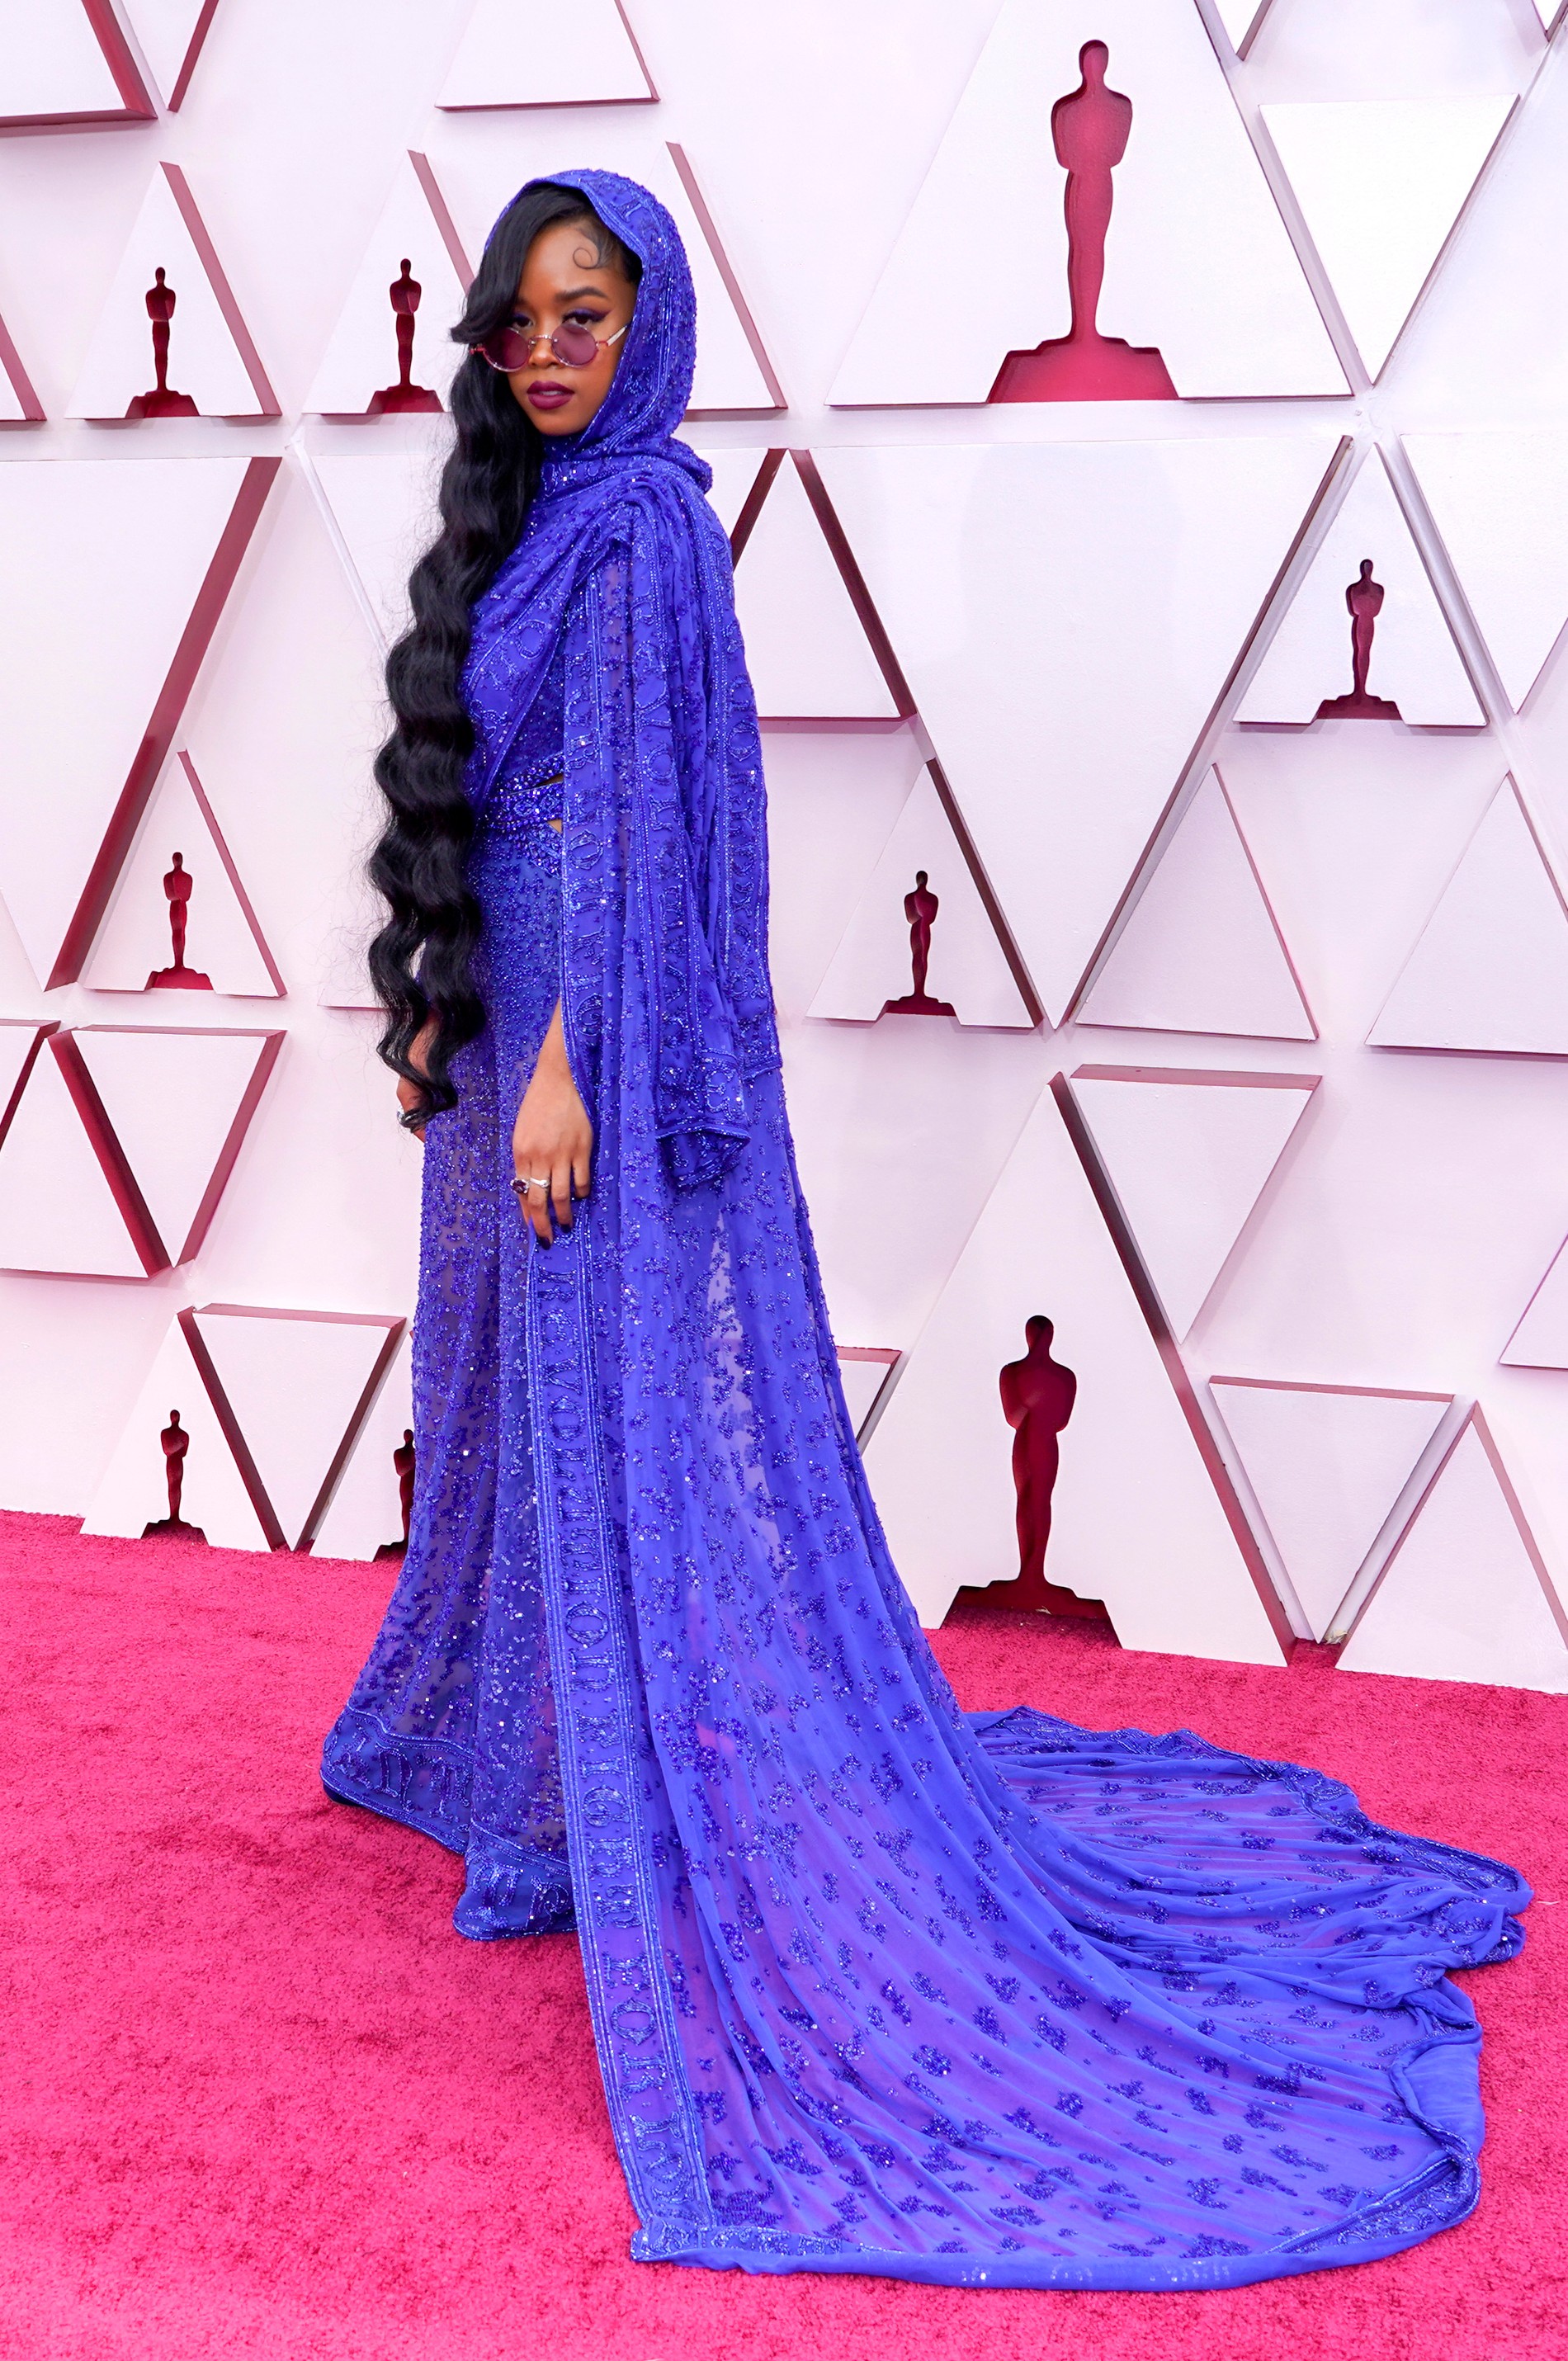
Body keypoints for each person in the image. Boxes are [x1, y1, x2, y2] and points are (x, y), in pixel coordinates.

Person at [323, 172, 1527, 2291]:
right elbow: (480, 797)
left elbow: (641, 830)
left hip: (584, 1044)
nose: (549, 353)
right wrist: (447, 1003)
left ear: (653, 327)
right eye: (521, 321)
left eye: (588, 315)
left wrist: (572, 1059)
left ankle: (622, 1792)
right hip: (501, 1013)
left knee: (613, 1405)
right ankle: (539, 1782)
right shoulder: (521, 521)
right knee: (511, 1394)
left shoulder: (646, 528)